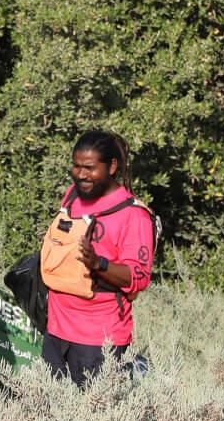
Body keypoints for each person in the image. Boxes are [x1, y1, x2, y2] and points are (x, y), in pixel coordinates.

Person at [41, 130, 155, 385]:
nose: (81, 175)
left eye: (90, 168)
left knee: (91, 418)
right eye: (77, 166)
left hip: (98, 340)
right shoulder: (72, 194)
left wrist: (98, 263)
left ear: (112, 166)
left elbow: (139, 278)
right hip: (57, 329)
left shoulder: (134, 215)